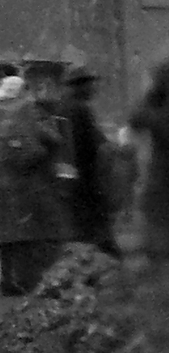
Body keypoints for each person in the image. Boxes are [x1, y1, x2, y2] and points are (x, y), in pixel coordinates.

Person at [0, 74, 69, 296]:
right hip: (29, 181)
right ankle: (26, 280)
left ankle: (7, 280)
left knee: (6, 235)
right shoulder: (31, 111)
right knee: (29, 232)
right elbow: (52, 139)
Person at [58, 62, 120, 258]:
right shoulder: (79, 110)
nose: (94, 87)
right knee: (96, 237)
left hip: (74, 183)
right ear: (80, 85)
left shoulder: (65, 108)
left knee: (88, 237)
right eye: (90, 83)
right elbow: (94, 146)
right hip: (86, 183)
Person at [128, 58, 169, 263]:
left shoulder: (156, 105)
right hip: (160, 185)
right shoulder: (156, 103)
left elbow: (139, 119)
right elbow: (136, 119)